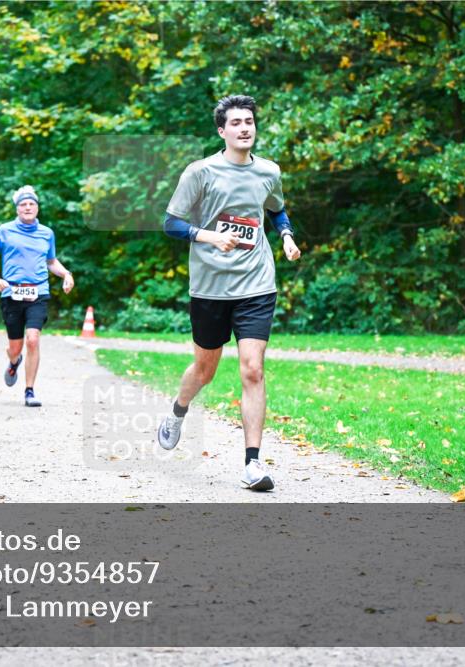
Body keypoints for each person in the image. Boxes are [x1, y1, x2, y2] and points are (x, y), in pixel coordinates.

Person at [156, 95, 302, 491]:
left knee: (253, 369)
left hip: (256, 283)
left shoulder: (268, 171)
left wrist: (286, 236)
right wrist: (209, 237)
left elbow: (276, 209)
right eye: (236, 123)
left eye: (249, 121)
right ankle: (178, 410)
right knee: (205, 370)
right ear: (222, 131)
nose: (244, 128)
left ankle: (252, 463)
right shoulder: (201, 172)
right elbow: (171, 223)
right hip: (210, 286)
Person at [0, 185, 74, 407]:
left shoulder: (46, 233)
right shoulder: (4, 231)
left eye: (31, 204)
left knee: (33, 340)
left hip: (38, 293)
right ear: (17, 209)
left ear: (37, 208)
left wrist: (66, 274)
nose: (27, 207)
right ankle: (14, 362)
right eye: (23, 204)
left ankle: (29, 391)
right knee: (15, 348)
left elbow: (51, 261)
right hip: (11, 293)